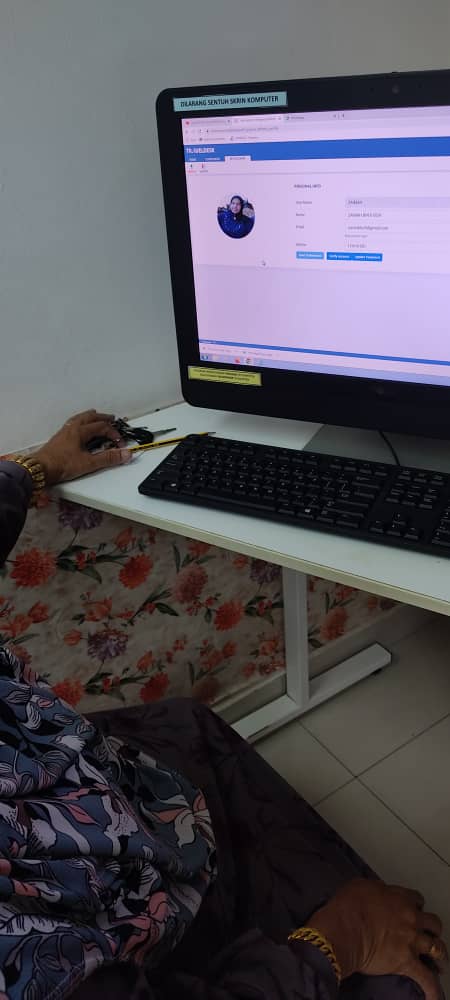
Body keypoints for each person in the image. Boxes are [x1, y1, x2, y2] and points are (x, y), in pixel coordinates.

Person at [0, 409, 447, 1000]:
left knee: (186, 720)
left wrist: (35, 469)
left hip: (85, 780)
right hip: (131, 932)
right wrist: (346, 936)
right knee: (404, 984)